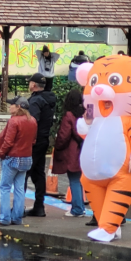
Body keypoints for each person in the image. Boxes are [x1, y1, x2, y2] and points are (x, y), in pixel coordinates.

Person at [0, 97, 37, 226]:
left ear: (19, 107)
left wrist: (1, 153)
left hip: (12, 158)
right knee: (19, 188)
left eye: (12, 105)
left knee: (5, 187)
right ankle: (17, 218)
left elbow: (8, 141)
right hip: (26, 158)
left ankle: (4, 218)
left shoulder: (14, 121)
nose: (10, 107)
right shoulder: (33, 121)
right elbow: (33, 141)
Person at [25, 73, 56, 217]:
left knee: (24, 173)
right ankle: (39, 206)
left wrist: (27, 141)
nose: (29, 84)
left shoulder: (35, 101)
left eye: (30, 82)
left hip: (34, 141)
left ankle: (19, 207)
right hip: (43, 140)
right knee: (38, 173)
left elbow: (32, 122)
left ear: (33, 85)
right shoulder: (48, 99)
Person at [53, 89, 86, 217]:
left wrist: (58, 146)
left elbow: (63, 135)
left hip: (72, 152)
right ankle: (81, 206)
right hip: (83, 150)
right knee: (80, 180)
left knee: (74, 180)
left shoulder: (69, 115)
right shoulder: (84, 114)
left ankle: (77, 209)